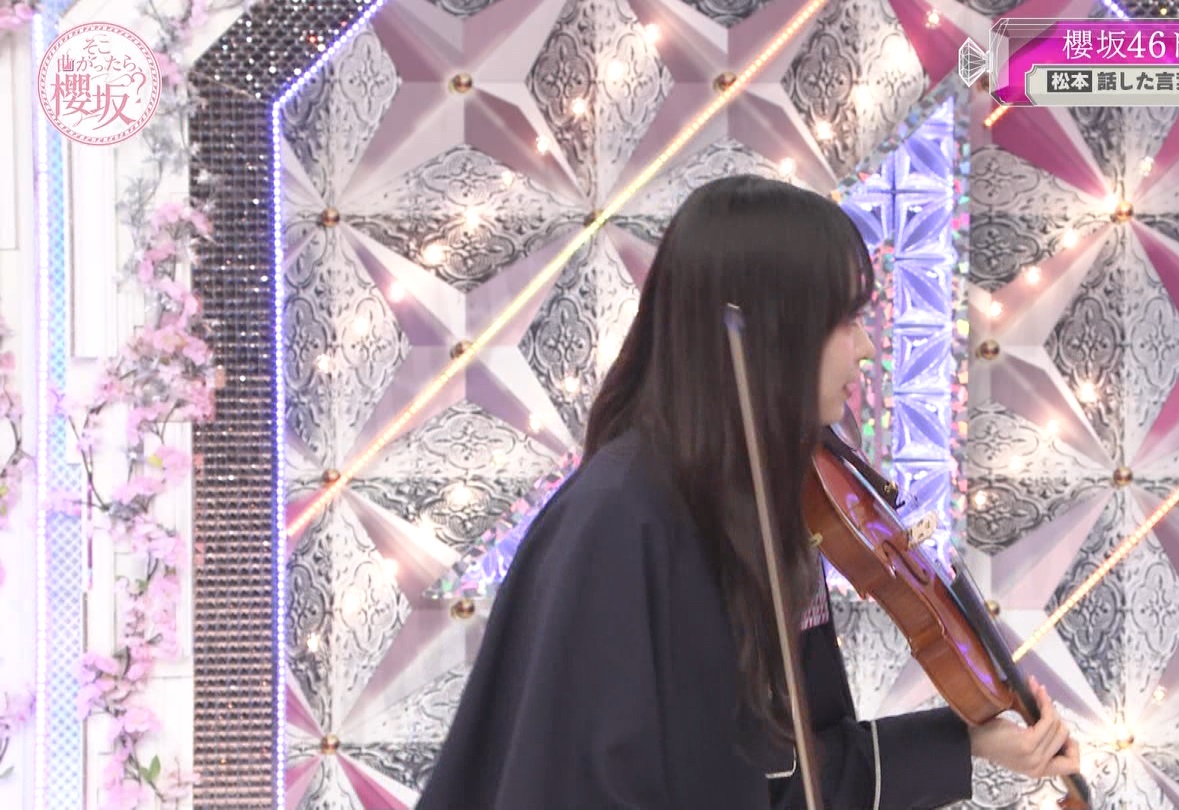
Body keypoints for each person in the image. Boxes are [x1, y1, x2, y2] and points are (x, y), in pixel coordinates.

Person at [414, 175, 1081, 810]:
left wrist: (971, 744)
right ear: (772, 330)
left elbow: (784, 780)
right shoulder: (618, 520)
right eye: (845, 319)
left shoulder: (759, 506)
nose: (866, 347)